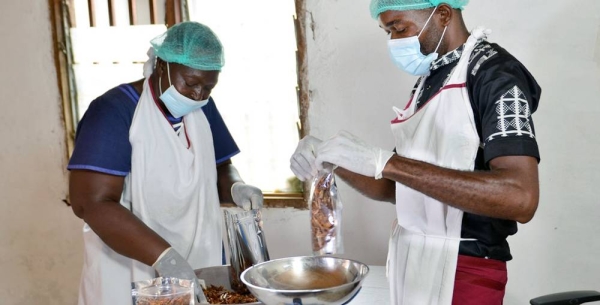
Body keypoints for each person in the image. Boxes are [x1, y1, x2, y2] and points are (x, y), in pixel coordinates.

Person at [290, 1, 541, 304]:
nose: (394, 42)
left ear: (443, 13)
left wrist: (388, 162)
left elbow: (520, 197)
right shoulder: (429, 80)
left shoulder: (495, 76)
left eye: (399, 28)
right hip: (412, 260)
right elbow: (398, 187)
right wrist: (337, 159)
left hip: (466, 267)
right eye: (388, 32)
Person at [68, 21, 263, 305]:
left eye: (209, 86)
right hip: (128, 265)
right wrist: (165, 258)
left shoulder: (201, 108)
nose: (199, 95)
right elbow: (90, 203)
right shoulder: (114, 112)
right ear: (162, 65)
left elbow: (220, 166)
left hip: (198, 257)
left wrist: (237, 187)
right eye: (191, 83)